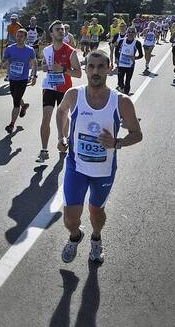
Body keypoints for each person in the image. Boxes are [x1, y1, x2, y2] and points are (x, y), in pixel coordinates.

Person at [56, 49, 143, 263]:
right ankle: (75, 237)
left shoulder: (121, 102)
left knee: (96, 213)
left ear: (109, 69)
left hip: (103, 171)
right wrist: (62, 136)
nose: (95, 71)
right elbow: (61, 111)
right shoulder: (74, 95)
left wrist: (117, 143)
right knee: (70, 219)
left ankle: (96, 239)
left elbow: (137, 134)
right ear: (85, 69)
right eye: (91, 66)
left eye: (100, 67)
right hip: (76, 168)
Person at [37, 20, 82, 163]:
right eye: (57, 29)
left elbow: (79, 74)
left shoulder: (70, 51)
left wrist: (63, 70)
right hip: (49, 87)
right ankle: (44, 150)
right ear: (51, 33)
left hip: (65, 89)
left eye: (62, 29)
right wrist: (44, 67)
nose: (61, 31)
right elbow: (45, 65)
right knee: (46, 118)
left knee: (63, 116)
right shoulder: (47, 50)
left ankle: (63, 139)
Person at [1, 29, 38, 133]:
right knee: (15, 96)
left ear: (25, 38)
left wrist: (34, 76)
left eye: (21, 36)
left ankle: (11, 124)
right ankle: (24, 106)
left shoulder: (30, 50)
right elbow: (3, 62)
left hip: (23, 79)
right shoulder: (9, 49)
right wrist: (5, 63)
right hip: (12, 78)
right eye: (17, 36)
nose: (19, 38)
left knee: (16, 101)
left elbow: (35, 63)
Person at [113, 24, 143, 94]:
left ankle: (126, 95)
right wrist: (116, 59)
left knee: (127, 81)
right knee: (120, 81)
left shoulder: (137, 43)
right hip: (121, 64)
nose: (130, 33)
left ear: (135, 33)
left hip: (130, 65)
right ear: (127, 33)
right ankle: (122, 89)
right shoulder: (121, 41)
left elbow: (141, 55)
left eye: (132, 32)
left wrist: (135, 57)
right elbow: (117, 51)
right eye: (129, 32)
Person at [4, 14, 24, 81]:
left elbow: (22, 34)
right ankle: (8, 75)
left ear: (17, 19)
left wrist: (19, 43)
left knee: (18, 60)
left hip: (18, 45)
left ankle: (18, 73)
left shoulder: (19, 26)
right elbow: (9, 34)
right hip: (11, 44)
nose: (13, 21)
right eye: (12, 19)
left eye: (14, 19)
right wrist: (7, 41)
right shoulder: (9, 26)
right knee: (9, 60)